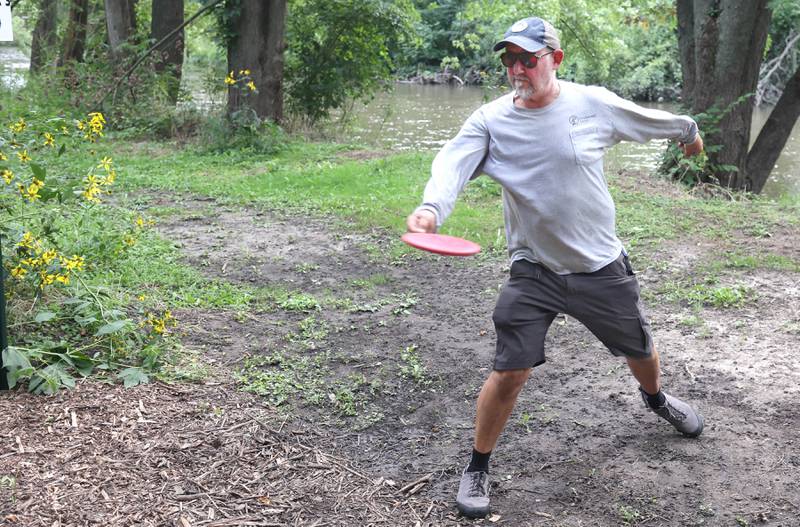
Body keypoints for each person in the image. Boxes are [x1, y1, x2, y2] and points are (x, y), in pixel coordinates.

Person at [405, 16, 706, 519]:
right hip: (534, 269)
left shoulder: (591, 104)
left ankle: (655, 399)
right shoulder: (490, 120)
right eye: (509, 60)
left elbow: (646, 118)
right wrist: (433, 208)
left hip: (598, 264)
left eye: (528, 58)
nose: (517, 69)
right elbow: (453, 162)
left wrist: (688, 133)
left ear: (555, 60)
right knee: (509, 370)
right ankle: (477, 466)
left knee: (640, 348)